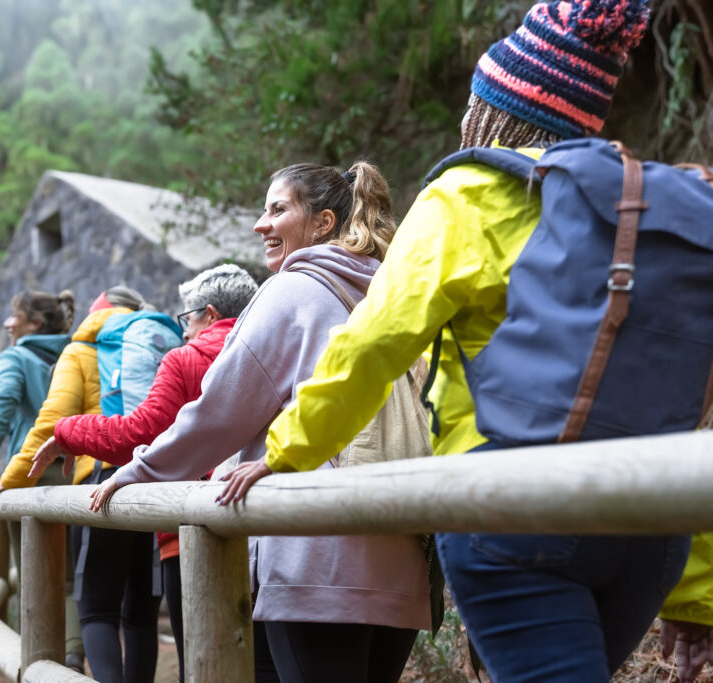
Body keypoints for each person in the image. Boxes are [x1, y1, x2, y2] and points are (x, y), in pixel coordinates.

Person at [225, 2, 711, 681]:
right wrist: (696, 591)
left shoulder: (468, 193)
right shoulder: (642, 208)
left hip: (513, 507)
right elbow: (689, 395)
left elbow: (373, 342)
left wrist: (286, 451)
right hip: (650, 527)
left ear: (495, 112)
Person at [91, 162, 431, 683]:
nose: (259, 225)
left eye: (277, 210)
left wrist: (136, 472)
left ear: (321, 224)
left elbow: (217, 415)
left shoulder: (292, 292)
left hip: (318, 560)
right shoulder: (390, 293)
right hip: (403, 556)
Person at [29, 264, 258, 682]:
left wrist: (67, 432)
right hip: (273, 527)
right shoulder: (271, 345)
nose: (184, 330)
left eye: (187, 319)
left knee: (186, 653)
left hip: (183, 525)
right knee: (260, 660)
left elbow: (142, 431)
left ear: (207, 314)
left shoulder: (184, 359)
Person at [0, 285, 165, 683]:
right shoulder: (156, 348)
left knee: (96, 608)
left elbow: (52, 421)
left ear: (97, 314)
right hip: (155, 479)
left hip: (102, 482)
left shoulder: (81, 350)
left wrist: (12, 479)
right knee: (141, 611)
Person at [0, 289, 83, 668]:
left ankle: (42, 666)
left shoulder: (16, 357)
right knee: (69, 580)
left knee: (34, 576)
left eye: (14, 316)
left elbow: (2, 398)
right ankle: (73, 656)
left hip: (30, 475)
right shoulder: (76, 354)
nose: (7, 323)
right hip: (77, 474)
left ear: (35, 324)